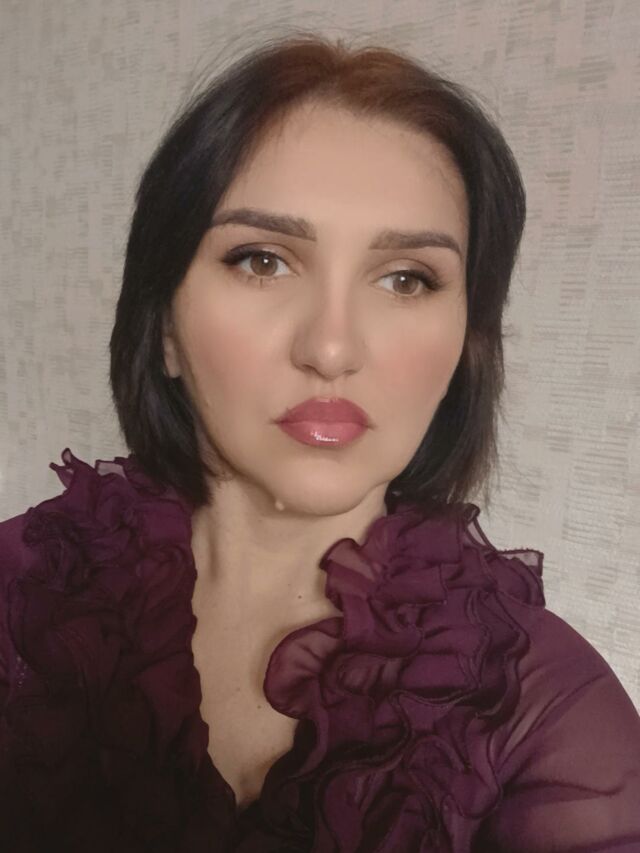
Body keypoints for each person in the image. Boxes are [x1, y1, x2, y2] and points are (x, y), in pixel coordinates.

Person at [1, 32, 638, 853]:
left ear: (465, 347)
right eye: (262, 261)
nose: (332, 348)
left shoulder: (545, 712)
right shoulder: (22, 594)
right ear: (163, 326)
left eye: (406, 278)